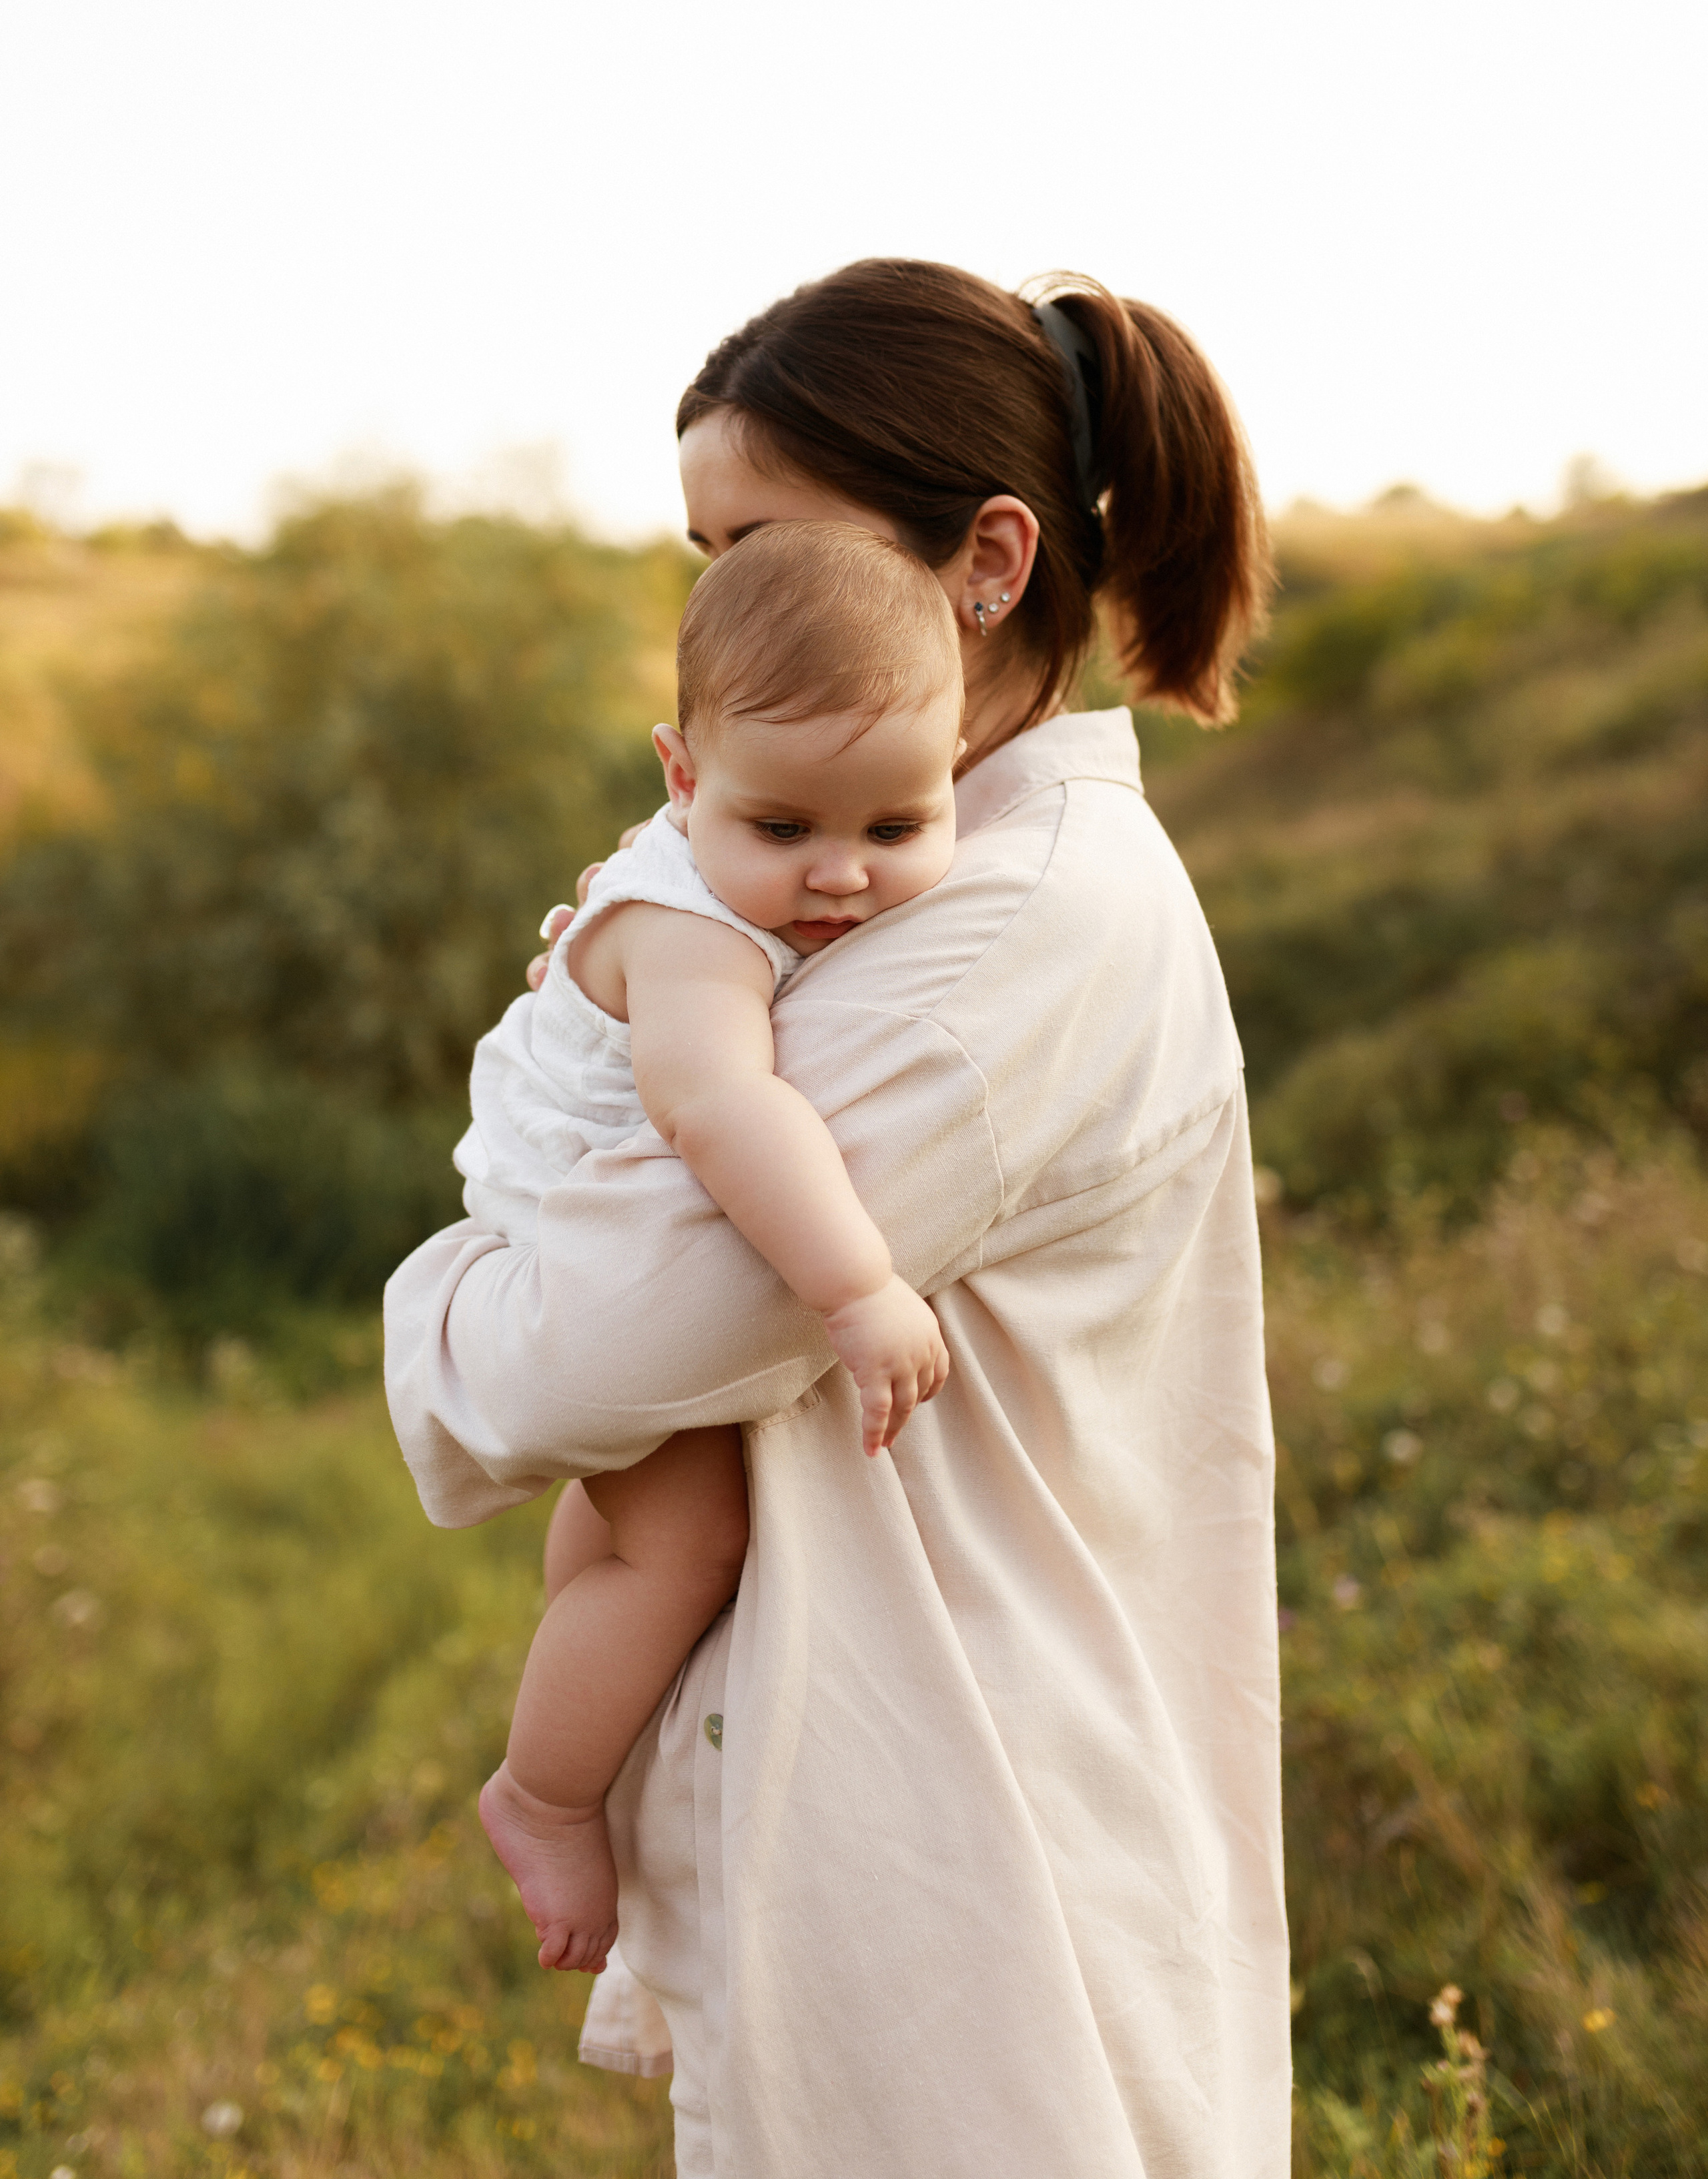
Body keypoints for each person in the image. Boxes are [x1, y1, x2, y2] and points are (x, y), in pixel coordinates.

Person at [385, 258, 1291, 2178]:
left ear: (985, 558)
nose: (722, 608)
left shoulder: (999, 928)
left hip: (956, 1815)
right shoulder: (888, 878)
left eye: (765, 543)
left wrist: (444, 1304)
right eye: (701, 556)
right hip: (929, 1781)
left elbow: (590, 1356)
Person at [468, 522, 959, 1976]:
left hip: (562, 1203)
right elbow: (719, 1103)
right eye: (784, 830)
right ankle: (542, 1794)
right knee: (693, 1547)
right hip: (567, 1237)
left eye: (893, 830)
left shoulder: (737, 859)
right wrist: (857, 1289)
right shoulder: (692, 938)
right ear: (680, 780)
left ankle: (586, 1632)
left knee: (632, 1536)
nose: (837, 878)